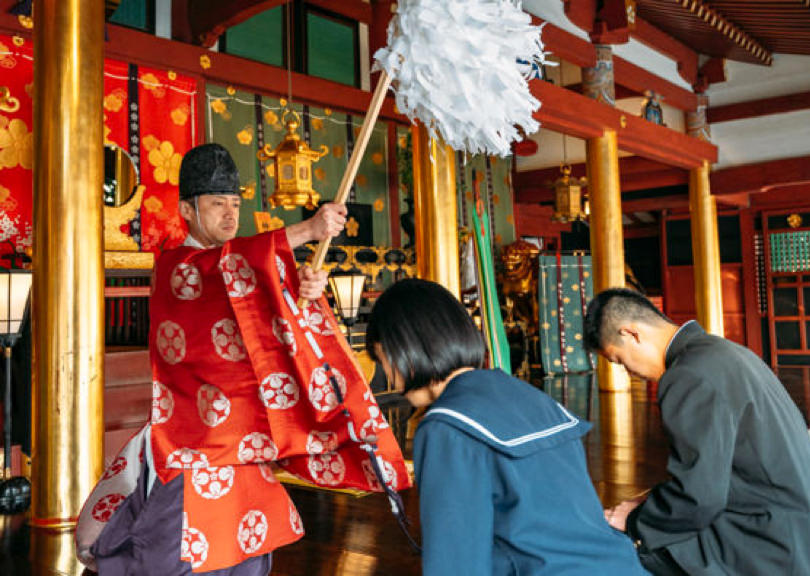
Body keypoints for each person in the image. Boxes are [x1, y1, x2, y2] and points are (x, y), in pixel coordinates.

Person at [77, 143, 411, 574]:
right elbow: (223, 269)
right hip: (193, 441)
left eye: (235, 204)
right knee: (171, 559)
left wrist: (303, 293)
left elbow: (268, 309)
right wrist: (308, 230)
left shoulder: (237, 264)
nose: (230, 214)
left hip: (247, 442)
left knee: (248, 561)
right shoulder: (178, 267)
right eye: (217, 204)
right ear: (187, 210)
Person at [366, 278, 648, 576]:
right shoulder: (529, 396)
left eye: (383, 359)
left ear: (405, 348)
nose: (389, 378)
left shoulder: (446, 427)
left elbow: (457, 561)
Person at [585, 287, 810, 575]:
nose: (628, 372)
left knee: (617, 547)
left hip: (763, 540)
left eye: (619, 360)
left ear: (631, 334)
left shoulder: (687, 375)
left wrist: (634, 519)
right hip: (790, 523)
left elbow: (699, 499)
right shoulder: (724, 351)